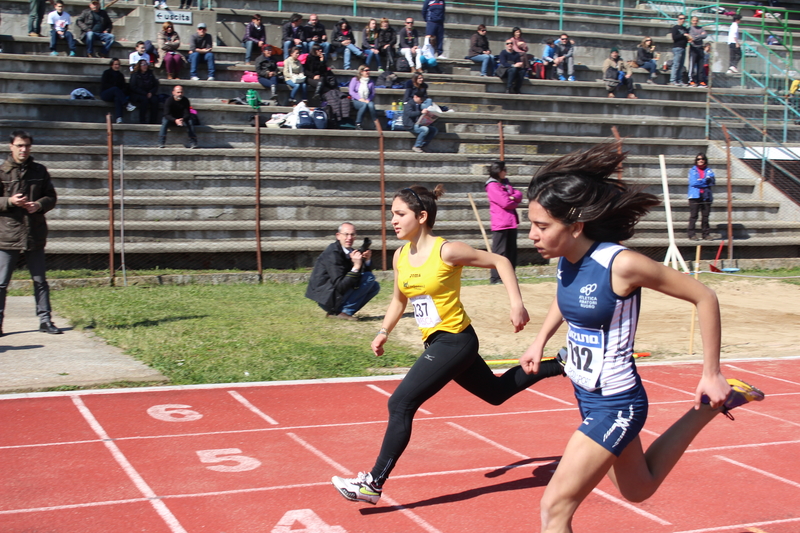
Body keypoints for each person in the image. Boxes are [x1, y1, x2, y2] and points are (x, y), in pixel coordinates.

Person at [519, 142, 764, 533]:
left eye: (542, 226)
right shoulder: (566, 259)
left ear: (575, 226)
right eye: (531, 224)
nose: (531, 234)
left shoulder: (622, 264)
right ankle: (708, 410)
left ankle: (716, 390)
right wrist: (541, 339)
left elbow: (704, 295)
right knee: (638, 488)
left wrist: (710, 372)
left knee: (554, 509)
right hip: (586, 395)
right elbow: (565, 299)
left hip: (617, 403)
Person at [330, 185, 565, 505]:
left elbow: (501, 261)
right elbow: (400, 300)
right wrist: (384, 331)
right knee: (495, 394)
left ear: (422, 216)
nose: (393, 221)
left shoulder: (447, 251)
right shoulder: (401, 256)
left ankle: (373, 482)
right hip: (440, 342)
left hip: (455, 340)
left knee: (400, 404)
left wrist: (516, 304)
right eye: (392, 215)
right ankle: (563, 363)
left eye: (400, 214)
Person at [0, 131, 62, 336]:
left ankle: (45, 320)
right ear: (11, 146)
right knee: (1, 283)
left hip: (34, 233)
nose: (23, 149)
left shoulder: (40, 170)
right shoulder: (2, 171)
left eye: (26, 145)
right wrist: (9, 202)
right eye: (19, 145)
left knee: (40, 280)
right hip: (7, 235)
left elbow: (51, 197)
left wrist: (39, 204)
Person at [305, 222, 380, 320]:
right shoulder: (333, 253)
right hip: (327, 298)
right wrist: (356, 266)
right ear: (338, 236)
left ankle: (340, 312)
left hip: (336, 295)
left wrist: (367, 260)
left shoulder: (348, 251)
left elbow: (363, 274)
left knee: (374, 286)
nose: (349, 238)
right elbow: (340, 285)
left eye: (352, 235)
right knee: (369, 278)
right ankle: (343, 312)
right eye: (346, 234)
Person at [485, 161, 521, 284]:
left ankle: (510, 277)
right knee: (499, 252)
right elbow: (505, 202)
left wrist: (513, 197)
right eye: (504, 170)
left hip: (512, 222)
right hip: (500, 223)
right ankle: (496, 278)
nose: (506, 172)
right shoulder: (492, 185)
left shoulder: (505, 182)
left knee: (512, 252)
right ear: (498, 171)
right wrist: (514, 200)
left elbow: (518, 194)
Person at [687, 153, 715, 241]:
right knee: (694, 215)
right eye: (698, 159)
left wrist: (700, 181)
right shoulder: (693, 170)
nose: (700, 160)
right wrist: (704, 181)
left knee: (705, 216)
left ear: (705, 160)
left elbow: (711, 182)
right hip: (694, 196)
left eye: (702, 159)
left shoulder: (709, 170)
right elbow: (693, 183)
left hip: (706, 196)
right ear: (696, 160)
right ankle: (691, 234)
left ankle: (706, 234)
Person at [100, 58, 135, 124]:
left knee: (117, 98)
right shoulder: (106, 73)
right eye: (115, 64)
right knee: (115, 89)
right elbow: (104, 85)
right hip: (106, 94)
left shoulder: (120, 75)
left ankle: (119, 118)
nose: (117, 66)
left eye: (118, 64)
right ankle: (126, 104)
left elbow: (123, 86)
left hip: (116, 95)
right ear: (111, 65)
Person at [129, 59, 160, 124]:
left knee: (155, 100)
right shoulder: (135, 75)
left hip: (149, 93)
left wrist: (151, 92)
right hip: (138, 94)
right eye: (143, 64)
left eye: (146, 64)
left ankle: (153, 121)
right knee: (144, 100)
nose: (145, 66)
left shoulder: (150, 74)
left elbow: (155, 85)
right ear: (139, 66)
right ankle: (142, 120)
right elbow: (133, 87)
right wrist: (145, 93)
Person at [349, 64, 376, 130]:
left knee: (371, 105)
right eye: (366, 70)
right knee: (363, 105)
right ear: (361, 71)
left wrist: (369, 99)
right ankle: (358, 124)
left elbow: (372, 93)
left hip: (367, 99)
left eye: (368, 70)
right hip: (356, 100)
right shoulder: (355, 80)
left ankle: (375, 123)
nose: (368, 72)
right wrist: (360, 99)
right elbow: (351, 91)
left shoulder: (371, 82)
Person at [688, 16, 707, 87]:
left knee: (701, 66)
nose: (695, 22)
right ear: (691, 21)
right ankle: (691, 81)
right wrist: (699, 36)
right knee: (692, 66)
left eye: (696, 20)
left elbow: (705, 35)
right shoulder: (690, 29)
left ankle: (701, 81)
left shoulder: (701, 28)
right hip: (693, 48)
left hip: (700, 48)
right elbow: (692, 38)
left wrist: (697, 36)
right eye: (693, 20)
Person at [671, 14, 689, 86]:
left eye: (684, 18)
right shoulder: (675, 28)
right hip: (677, 47)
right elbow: (674, 37)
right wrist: (683, 35)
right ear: (678, 19)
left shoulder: (685, 29)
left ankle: (679, 80)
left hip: (683, 47)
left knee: (681, 65)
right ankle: (673, 80)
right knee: (676, 64)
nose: (682, 20)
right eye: (681, 18)